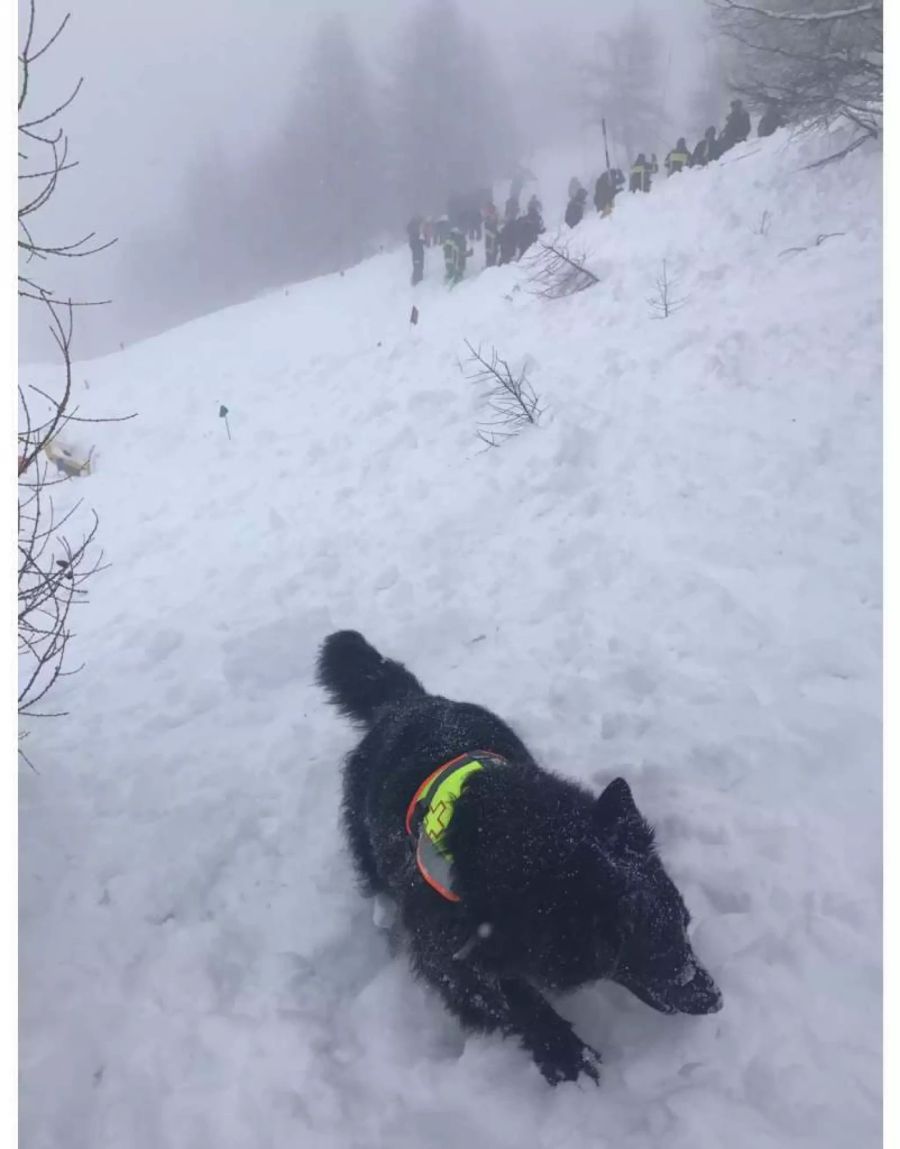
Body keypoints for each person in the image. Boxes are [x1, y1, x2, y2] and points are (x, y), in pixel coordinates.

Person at [407, 216, 425, 286]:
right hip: (417, 248)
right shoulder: (416, 232)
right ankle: (416, 280)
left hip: (416, 247)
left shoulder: (413, 232)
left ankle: (417, 280)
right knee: (418, 264)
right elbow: (421, 240)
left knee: (417, 264)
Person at [483, 201, 500, 268]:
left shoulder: (494, 217)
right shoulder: (487, 219)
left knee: (493, 252)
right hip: (490, 239)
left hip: (493, 239)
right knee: (489, 252)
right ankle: (489, 265)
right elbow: (486, 229)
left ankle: (491, 265)